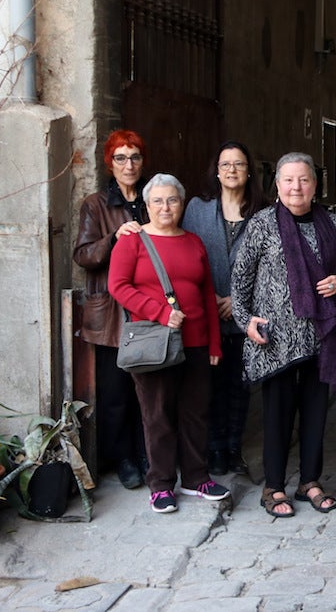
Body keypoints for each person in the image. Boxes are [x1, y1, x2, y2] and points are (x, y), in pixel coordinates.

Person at [231, 152, 336, 518]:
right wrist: (245, 320)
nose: (296, 187)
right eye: (289, 180)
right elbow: (241, 279)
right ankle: (274, 486)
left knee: (315, 413)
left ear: (315, 184)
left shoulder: (332, 223)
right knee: (278, 415)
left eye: (304, 179)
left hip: (319, 336)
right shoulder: (262, 224)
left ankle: (310, 481)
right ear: (277, 184)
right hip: (276, 339)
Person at [108, 173, 230, 514]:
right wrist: (160, 313)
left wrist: (214, 345)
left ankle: (196, 478)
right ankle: (161, 484)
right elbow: (118, 286)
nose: (165, 207)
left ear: (182, 203)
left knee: (195, 412)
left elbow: (207, 294)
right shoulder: (132, 242)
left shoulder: (193, 242)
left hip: (195, 343)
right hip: (154, 341)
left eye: (172, 200)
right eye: (158, 201)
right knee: (157, 415)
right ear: (147, 206)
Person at [182, 141, 269, 477]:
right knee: (208, 386)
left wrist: (239, 301)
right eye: (226, 164)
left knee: (240, 385)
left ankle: (233, 448)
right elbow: (185, 254)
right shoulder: (197, 209)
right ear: (216, 171)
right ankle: (213, 448)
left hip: (245, 314)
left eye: (239, 164)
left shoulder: (264, 212)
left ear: (249, 171)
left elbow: (270, 266)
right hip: (205, 314)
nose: (232, 170)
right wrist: (210, 299)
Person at [73, 129, 149, 490]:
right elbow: (83, 255)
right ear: (110, 163)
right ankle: (122, 459)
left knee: (149, 387)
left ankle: (147, 452)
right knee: (116, 392)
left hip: (148, 309)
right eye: (120, 158)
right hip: (112, 316)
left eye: (134, 157)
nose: (128, 164)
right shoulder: (96, 204)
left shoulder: (153, 199)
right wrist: (114, 238)